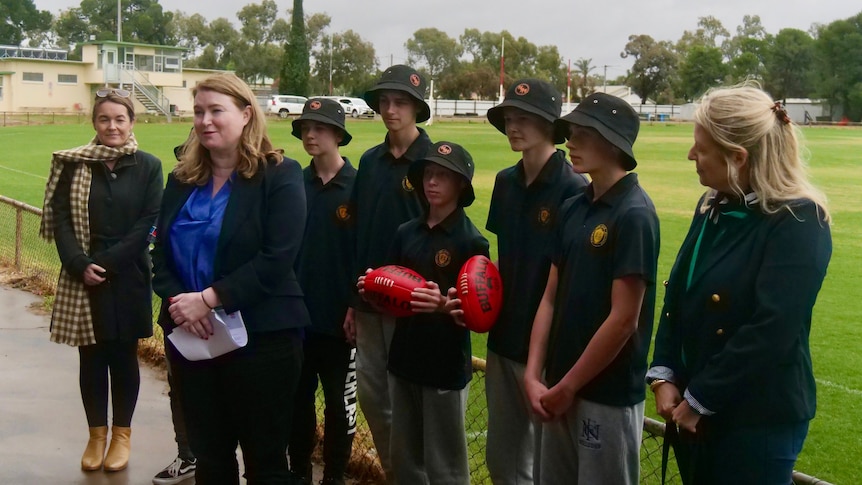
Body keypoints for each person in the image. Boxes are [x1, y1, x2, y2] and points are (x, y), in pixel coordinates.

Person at [648, 84, 832, 485]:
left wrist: (701, 399)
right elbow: (677, 292)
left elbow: (773, 328)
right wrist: (664, 375)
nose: (690, 155)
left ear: (738, 157)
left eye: (701, 147)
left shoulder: (800, 220)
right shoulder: (714, 202)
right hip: (694, 410)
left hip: (755, 419)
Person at [151, 72, 309, 484]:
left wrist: (208, 298)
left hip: (264, 339)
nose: (205, 120)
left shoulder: (281, 175)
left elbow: (277, 258)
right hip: (193, 339)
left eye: (216, 111)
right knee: (211, 458)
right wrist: (183, 306)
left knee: (266, 461)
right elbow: (160, 258)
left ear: (245, 115)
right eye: (199, 111)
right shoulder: (181, 180)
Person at [523, 92, 660, 484]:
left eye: (584, 133)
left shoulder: (634, 214)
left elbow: (623, 320)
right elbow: (549, 298)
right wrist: (534, 375)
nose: (571, 141)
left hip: (606, 396)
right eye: (571, 132)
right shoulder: (573, 206)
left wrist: (567, 386)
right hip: (558, 388)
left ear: (613, 141)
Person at [39, 88, 163, 472]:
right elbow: (59, 217)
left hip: (127, 275)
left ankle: (121, 435)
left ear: (132, 123)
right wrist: (77, 263)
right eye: (104, 119)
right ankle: (96, 435)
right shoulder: (73, 164)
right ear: (94, 123)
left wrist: (107, 263)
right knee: (90, 358)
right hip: (82, 276)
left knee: (123, 357)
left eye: (119, 119)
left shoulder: (148, 165)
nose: (112, 126)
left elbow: (149, 221)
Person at [359, 141, 488, 485]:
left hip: (444, 367)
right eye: (428, 174)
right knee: (405, 460)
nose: (432, 182)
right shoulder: (406, 232)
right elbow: (391, 295)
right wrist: (372, 289)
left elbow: (477, 317)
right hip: (403, 361)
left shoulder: (472, 242)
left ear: (461, 185)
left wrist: (443, 305)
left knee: (445, 466)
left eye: (442, 176)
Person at [482, 78, 588, 484]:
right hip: (503, 337)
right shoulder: (505, 183)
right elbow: (502, 259)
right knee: (502, 460)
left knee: (546, 465)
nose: (513, 126)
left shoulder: (573, 188)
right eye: (509, 117)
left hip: (548, 350)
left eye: (524, 118)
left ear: (549, 125)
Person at [345, 64, 433, 481]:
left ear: (417, 107)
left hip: (413, 307)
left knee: (412, 405)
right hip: (368, 302)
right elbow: (359, 232)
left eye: (400, 102)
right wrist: (352, 301)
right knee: (373, 398)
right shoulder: (370, 161)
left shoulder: (434, 163)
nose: (390, 109)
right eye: (384, 102)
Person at [288, 98, 358, 485]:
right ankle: (298, 471)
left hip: (340, 320)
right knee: (298, 402)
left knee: (338, 404)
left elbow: (365, 253)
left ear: (338, 134)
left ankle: (333, 476)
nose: (310, 135)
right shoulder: (293, 183)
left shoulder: (358, 185)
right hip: (297, 317)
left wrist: (356, 305)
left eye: (318, 128)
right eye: (304, 129)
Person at [153, 134, 197, 485]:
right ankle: (187, 455)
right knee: (179, 386)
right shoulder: (177, 184)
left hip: (227, 313)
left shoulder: (244, 186)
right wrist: (177, 301)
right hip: (178, 312)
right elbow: (160, 250)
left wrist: (211, 301)